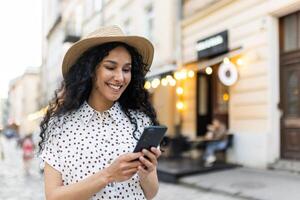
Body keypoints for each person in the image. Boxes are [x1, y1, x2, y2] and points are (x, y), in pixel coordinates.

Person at [38, 25, 162, 200]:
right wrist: (108, 175)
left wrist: (147, 173)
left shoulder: (141, 121)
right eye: (111, 67)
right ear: (90, 70)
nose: (120, 77)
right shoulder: (60, 127)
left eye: (126, 69)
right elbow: (53, 196)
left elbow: (151, 193)